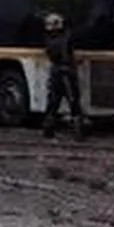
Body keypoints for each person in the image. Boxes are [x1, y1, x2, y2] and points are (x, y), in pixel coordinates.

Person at [41, 11, 85, 139]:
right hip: (67, 72)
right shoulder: (66, 37)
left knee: (53, 102)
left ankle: (48, 129)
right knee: (73, 102)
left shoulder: (48, 40)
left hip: (55, 72)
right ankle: (78, 131)